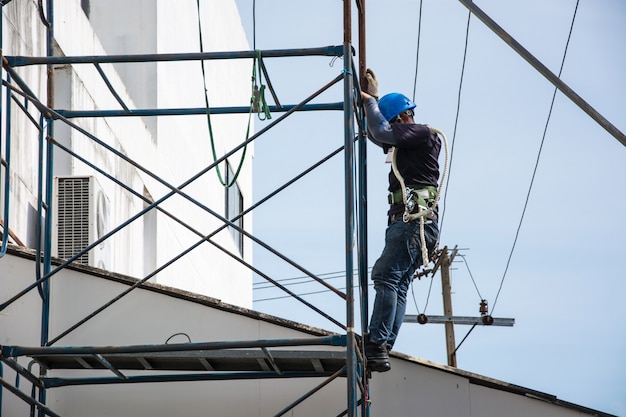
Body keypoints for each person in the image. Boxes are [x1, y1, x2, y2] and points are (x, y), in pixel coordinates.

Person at [361, 72, 441, 372]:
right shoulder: (409, 142)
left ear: (403, 118)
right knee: (399, 281)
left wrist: (370, 102)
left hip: (413, 222)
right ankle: (382, 346)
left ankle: (378, 342)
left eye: (395, 122)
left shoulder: (421, 133)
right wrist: (375, 104)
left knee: (386, 275)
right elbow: (374, 133)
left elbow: (381, 132)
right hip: (414, 222)